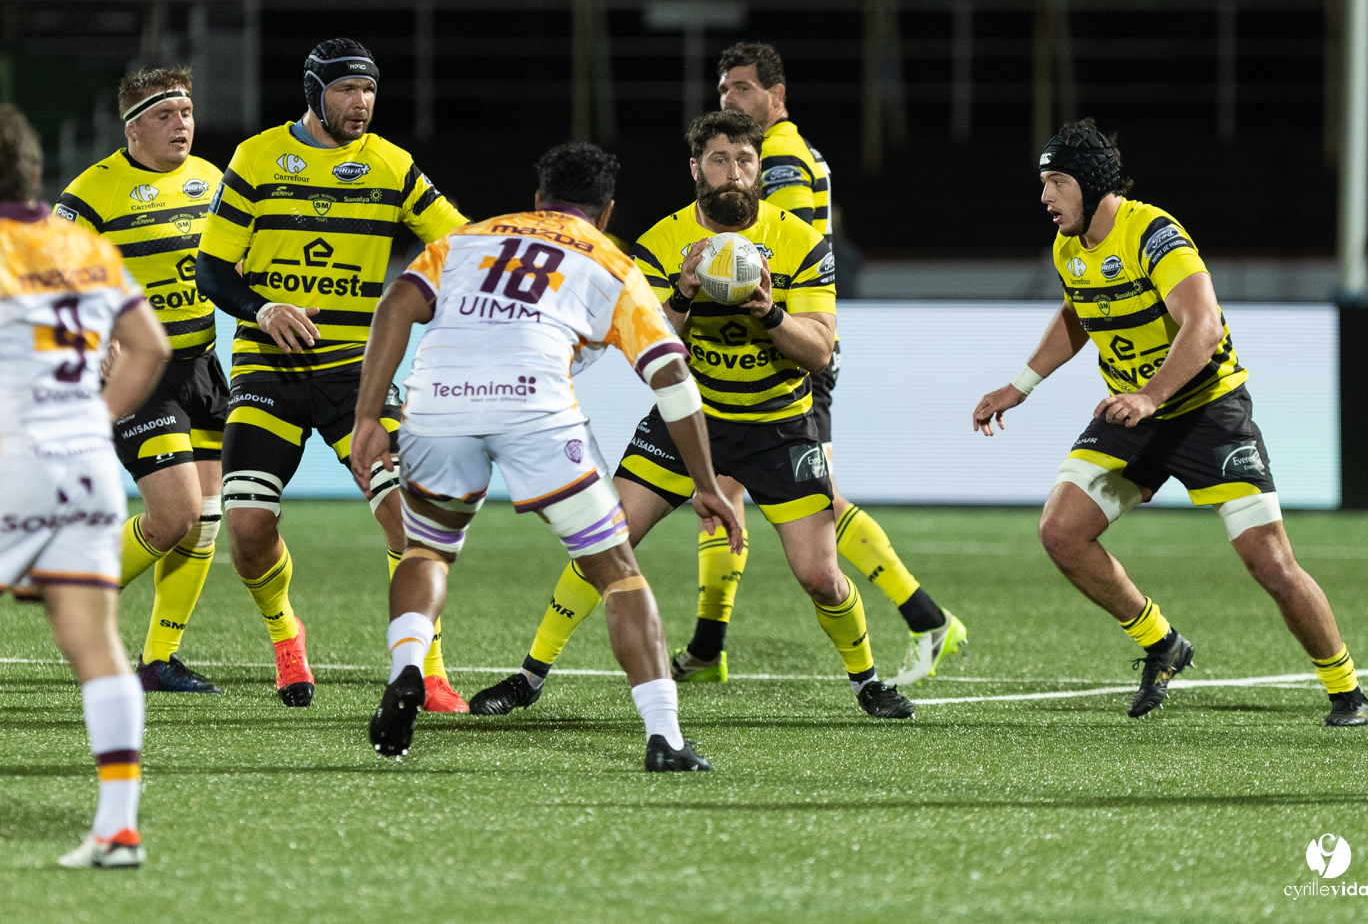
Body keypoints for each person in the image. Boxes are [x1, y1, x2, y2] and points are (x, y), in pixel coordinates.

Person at [470, 112, 916, 720]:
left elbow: (818, 352)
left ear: (759, 168)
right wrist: (681, 294)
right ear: (694, 170)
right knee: (605, 541)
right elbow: (645, 355)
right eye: (719, 160)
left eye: (744, 160)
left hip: (778, 425)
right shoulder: (660, 242)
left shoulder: (802, 242)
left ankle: (867, 683)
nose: (733, 173)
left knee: (820, 576)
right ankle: (529, 676)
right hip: (686, 422)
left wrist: (768, 311)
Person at [350, 143, 739, 769]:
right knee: (616, 569)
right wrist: (705, 482)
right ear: (606, 212)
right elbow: (670, 373)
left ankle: (405, 671)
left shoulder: (469, 238)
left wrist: (369, 416)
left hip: (438, 400)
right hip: (536, 408)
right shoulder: (612, 260)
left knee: (426, 550)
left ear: (538, 199)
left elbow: (398, 302)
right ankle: (664, 736)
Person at [972, 119, 1368, 726]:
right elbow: (1078, 313)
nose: (1046, 197)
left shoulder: (1153, 233)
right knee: (1060, 532)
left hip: (1209, 412)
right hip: (1136, 415)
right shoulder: (1068, 248)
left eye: (1056, 182)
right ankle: (1163, 644)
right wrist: (1019, 386)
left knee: (1270, 563)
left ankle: (1346, 690)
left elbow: (1204, 325)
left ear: (1091, 182)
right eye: (1045, 183)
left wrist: (1151, 396)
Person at [195, 38, 469, 709]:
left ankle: (425, 667)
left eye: (369, 90)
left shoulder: (391, 166)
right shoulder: (258, 159)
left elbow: (463, 242)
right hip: (269, 371)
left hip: (357, 378)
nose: (361, 102)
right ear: (316, 93)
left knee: (410, 515)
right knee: (249, 531)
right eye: (347, 89)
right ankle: (287, 635)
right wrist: (261, 307)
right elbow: (211, 267)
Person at [688, 40, 963, 687]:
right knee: (725, 493)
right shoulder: (800, 149)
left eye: (744, 89)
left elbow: (767, 243)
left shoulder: (776, 156)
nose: (731, 99)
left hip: (787, 349)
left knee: (815, 501)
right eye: (725, 90)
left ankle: (927, 618)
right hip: (786, 340)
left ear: (776, 96)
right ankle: (707, 645)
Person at [0, 105, 172, 866]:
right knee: (96, 646)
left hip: (12, 455)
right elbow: (150, 345)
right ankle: (118, 828)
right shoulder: (85, 247)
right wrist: (94, 417)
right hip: (84, 462)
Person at [55, 67, 226, 694]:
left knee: (205, 519)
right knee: (174, 515)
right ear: (132, 127)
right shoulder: (91, 194)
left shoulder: (212, 180)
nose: (181, 123)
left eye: (185, 112)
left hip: (204, 365)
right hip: (139, 371)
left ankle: (159, 660)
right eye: (165, 115)